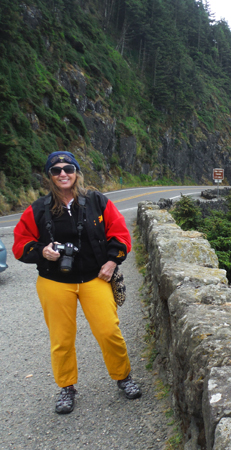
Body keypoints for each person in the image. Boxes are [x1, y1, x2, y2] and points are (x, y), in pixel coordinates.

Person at [13, 151, 142, 414]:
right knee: (61, 339)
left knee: (109, 331)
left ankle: (123, 377)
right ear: (49, 176)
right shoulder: (38, 208)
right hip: (54, 281)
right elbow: (20, 244)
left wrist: (112, 260)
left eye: (68, 168)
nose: (63, 173)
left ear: (76, 173)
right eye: (56, 170)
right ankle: (66, 387)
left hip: (95, 277)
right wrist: (42, 252)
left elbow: (119, 233)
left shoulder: (96, 201)